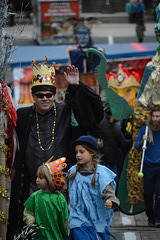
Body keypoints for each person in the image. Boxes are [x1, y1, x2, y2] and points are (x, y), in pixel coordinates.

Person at [7, 57, 104, 239]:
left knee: (60, 230)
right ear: (33, 96)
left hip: (61, 188)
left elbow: (92, 115)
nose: (45, 99)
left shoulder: (66, 111)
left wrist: (75, 85)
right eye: (40, 95)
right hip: (31, 186)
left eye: (49, 95)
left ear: (54, 95)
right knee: (33, 230)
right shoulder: (23, 115)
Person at [67, 135, 120, 240]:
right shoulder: (72, 171)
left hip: (97, 219)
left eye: (82, 152)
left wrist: (110, 201)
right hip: (77, 218)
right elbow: (64, 188)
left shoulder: (102, 173)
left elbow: (109, 192)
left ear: (92, 153)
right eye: (76, 152)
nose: (78, 155)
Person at [23, 157, 69, 239]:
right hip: (40, 237)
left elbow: (65, 219)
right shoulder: (35, 196)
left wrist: (67, 234)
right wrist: (30, 220)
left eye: (41, 178)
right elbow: (28, 212)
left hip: (57, 236)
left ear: (50, 179)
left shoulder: (59, 198)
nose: (37, 180)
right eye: (37, 177)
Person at [135, 105, 160, 227]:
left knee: (159, 194)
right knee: (148, 194)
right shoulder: (145, 129)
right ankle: (150, 216)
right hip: (149, 165)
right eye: (154, 116)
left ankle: (157, 218)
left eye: (158, 116)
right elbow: (137, 146)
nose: (155, 119)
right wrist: (142, 140)